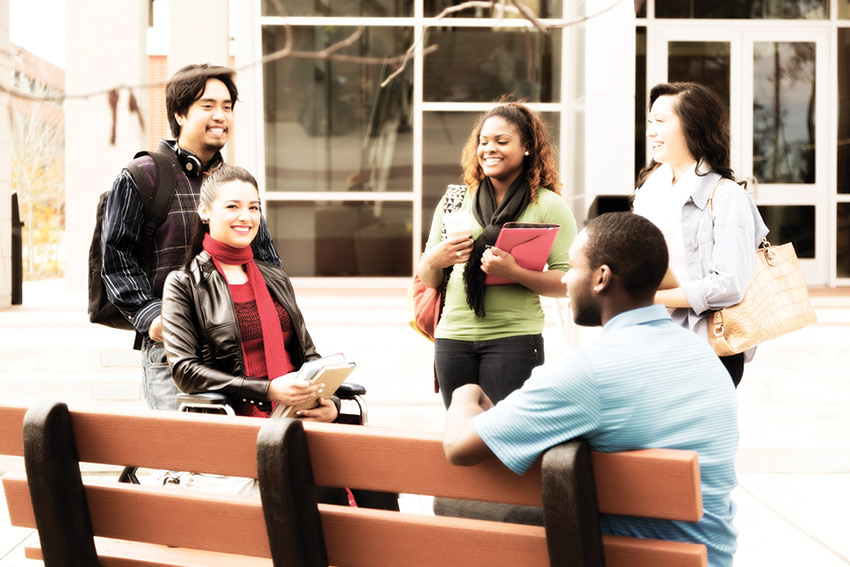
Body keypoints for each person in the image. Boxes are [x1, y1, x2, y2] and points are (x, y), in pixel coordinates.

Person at [443, 212, 739, 567]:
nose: (566, 280)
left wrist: (467, 391)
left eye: (572, 267)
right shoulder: (702, 355)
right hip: (708, 559)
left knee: (452, 503)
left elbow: (459, 449)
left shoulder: (587, 371)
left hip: (625, 559)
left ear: (601, 278)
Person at [101, 64, 281, 410]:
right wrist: (151, 317)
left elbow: (267, 262)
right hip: (174, 351)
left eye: (227, 107)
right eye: (208, 105)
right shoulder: (143, 175)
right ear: (180, 113)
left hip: (240, 349)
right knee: (185, 459)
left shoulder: (234, 182)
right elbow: (116, 260)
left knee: (240, 459)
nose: (221, 116)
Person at [417, 100, 577, 407]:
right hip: (453, 337)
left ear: (527, 148)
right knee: (461, 436)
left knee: (505, 436)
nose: (490, 148)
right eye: (484, 141)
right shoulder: (455, 199)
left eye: (502, 141)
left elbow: (568, 280)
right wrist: (436, 259)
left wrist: (515, 272)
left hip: (514, 338)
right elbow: (428, 277)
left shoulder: (547, 204)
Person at [160, 164, 337, 422]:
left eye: (253, 207)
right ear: (204, 211)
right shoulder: (183, 284)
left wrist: (329, 403)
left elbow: (308, 356)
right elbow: (186, 371)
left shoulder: (274, 277)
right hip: (234, 418)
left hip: (298, 412)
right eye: (233, 206)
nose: (246, 216)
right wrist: (267, 390)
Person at [633, 81, 768, 387]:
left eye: (661, 121)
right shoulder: (648, 191)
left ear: (692, 127)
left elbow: (728, 285)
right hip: (652, 338)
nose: (651, 131)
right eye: (650, 121)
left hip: (705, 348)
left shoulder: (726, 196)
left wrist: (649, 297)